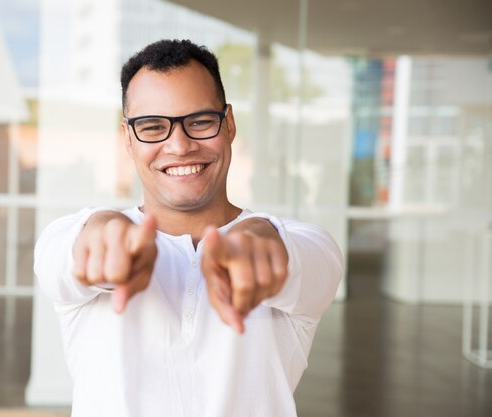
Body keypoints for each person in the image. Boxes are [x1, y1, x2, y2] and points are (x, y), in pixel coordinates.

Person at [34, 39, 343, 417]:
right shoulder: (68, 240)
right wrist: (103, 229)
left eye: (199, 121)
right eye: (152, 127)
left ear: (228, 124)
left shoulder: (306, 245)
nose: (179, 146)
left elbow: (298, 258)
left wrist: (258, 239)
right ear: (128, 139)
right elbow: (66, 259)